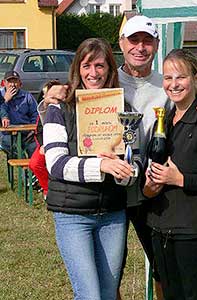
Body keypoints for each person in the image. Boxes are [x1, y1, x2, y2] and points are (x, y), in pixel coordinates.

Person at [38, 15, 197, 300]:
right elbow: (65, 115)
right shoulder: (103, 81)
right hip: (111, 195)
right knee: (110, 280)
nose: (140, 47)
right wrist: (51, 97)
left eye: (147, 41)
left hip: (153, 191)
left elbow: (191, 108)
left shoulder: (167, 85)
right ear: (121, 44)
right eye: (133, 40)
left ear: (156, 45)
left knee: (162, 270)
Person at [43, 38, 140, 300]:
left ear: (110, 69)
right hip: (72, 215)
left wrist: (126, 172)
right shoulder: (59, 109)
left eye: (100, 66)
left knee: (108, 294)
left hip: (111, 213)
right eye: (87, 66)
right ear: (77, 68)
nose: (93, 73)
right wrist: (102, 165)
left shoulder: (124, 110)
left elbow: (136, 158)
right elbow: (56, 164)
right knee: (89, 295)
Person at [143, 48, 197, 300]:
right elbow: (153, 171)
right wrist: (150, 185)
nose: (173, 84)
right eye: (168, 78)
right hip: (161, 227)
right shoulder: (165, 120)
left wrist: (179, 179)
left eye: (181, 77)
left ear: (195, 77)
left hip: (195, 228)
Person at [29, 80, 60, 199]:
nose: (44, 96)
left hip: (62, 142)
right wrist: (43, 145)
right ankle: (47, 189)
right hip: (44, 144)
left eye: (46, 93)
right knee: (35, 163)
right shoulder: (42, 110)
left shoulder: (64, 107)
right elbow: (39, 130)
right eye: (43, 94)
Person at [0, 71, 38, 157]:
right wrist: (5, 100)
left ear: (20, 83)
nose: (13, 85)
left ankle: (32, 169)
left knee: (35, 147)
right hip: (6, 134)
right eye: (10, 82)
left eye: (15, 81)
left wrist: (32, 129)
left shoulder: (27, 96)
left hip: (26, 132)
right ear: (4, 83)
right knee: (8, 144)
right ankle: (22, 164)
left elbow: (35, 114)